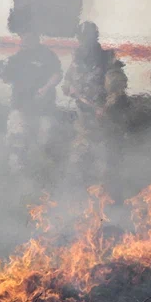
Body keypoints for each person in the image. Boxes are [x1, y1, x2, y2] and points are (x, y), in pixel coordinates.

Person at [0, 28, 62, 172]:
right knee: (17, 138)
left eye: (29, 38)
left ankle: (42, 171)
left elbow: (57, 75)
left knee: (45, 138)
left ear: (36, 38)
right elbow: (6, 78)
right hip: (21, 105)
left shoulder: (47, 55)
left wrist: (45, 88)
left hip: (43, 107)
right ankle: (17, 173)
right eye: (23, 38)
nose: (25, 41)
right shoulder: (17, 58)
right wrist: (2, 71)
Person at [62, 22, 117, 187]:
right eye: (82, 38)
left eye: (88, 37)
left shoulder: (106, 59)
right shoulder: (77, 59)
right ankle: (79, 190)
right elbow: (67, 82)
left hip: (101, 115)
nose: (84, 41)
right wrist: (69, 88)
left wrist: (105, 108)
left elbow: (116, 88)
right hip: (82, 116)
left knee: (102, 155)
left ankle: (103, 190)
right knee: (79, 157)